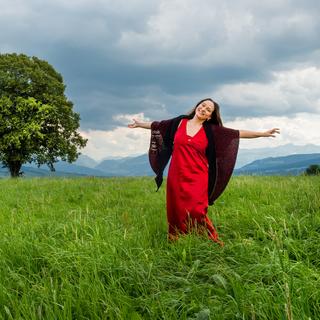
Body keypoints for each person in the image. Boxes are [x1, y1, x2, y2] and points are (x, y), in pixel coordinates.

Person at [128, 98, 279, 245]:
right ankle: (177, 240)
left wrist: (263, 133)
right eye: (203, 105)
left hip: (198, 176)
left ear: (210, 116)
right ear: (197, 106)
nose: (204, 109)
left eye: (208, 110)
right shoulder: (179, 122)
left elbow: (238, 133)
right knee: (175, 209)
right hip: (176, 175)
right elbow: (158, 125)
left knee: (197, 210)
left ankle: (209, 241)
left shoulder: (211, 131)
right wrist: (140, 124)